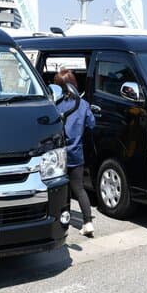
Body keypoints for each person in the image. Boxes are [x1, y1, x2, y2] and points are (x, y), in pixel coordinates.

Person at [54, 68, 97, 237]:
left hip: (59, 155)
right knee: (79, 189)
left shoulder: (56, 104)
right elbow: (92, 125)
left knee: (62, 189)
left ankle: (64, 218)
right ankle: (87, 222)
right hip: (77, 153)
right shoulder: (83, 104)